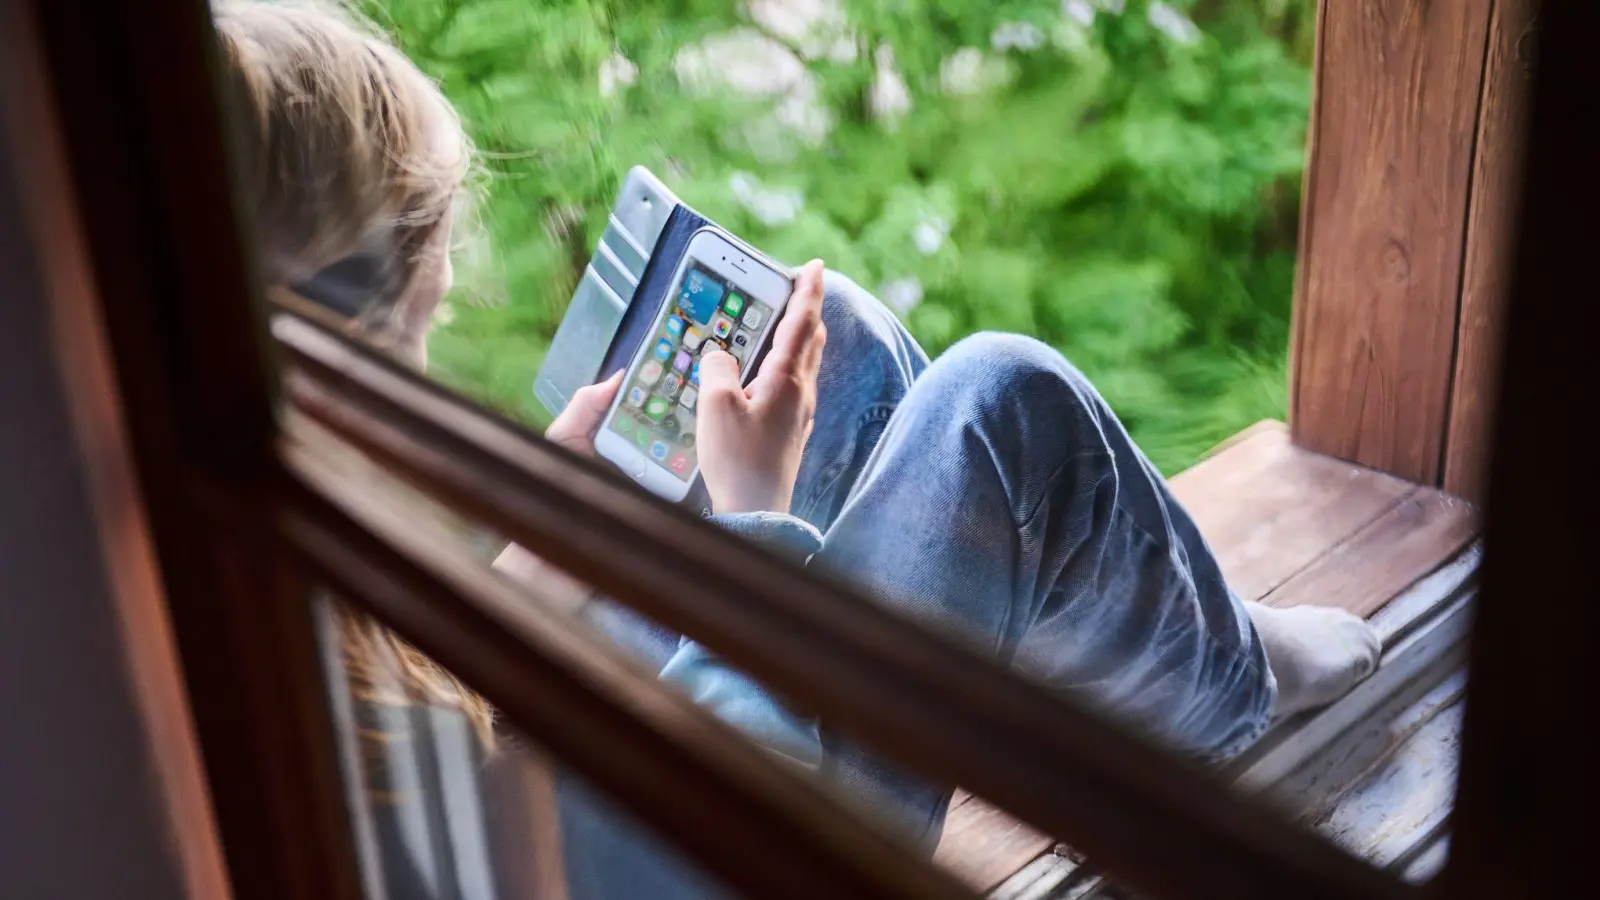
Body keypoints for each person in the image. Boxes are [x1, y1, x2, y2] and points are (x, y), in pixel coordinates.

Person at [213, 2, 1381, 896]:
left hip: (611, 796)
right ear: (325, 338)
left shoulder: (239, 547)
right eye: (415, 332)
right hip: (748, 829)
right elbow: (726, 822)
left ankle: (1087, 658)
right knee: (1000, 403)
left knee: (842, 352)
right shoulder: (331, 714)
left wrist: (558, 530)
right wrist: (748, 522)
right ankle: (1228, 693)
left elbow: (470, 709)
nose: (427, 357)